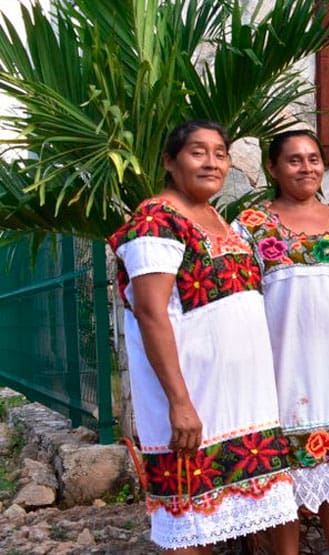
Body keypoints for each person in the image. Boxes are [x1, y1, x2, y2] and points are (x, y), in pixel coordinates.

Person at [107, 120, 298, 552]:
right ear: (170, 162)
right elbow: (152, 313)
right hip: (195, 400)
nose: (212, 162)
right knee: (191, 521)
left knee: (255, 513)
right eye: (198, 152)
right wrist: (179, 402)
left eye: (220, 153)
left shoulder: (217, 219)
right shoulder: (156, 219)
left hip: (245, 406)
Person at [233, 130, 329, 554]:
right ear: (273, 169)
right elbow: (242, 301)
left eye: (313, 159)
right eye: (294, 160)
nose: (306, 167)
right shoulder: (252, 226)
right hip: (282, 370)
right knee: (284, 484)